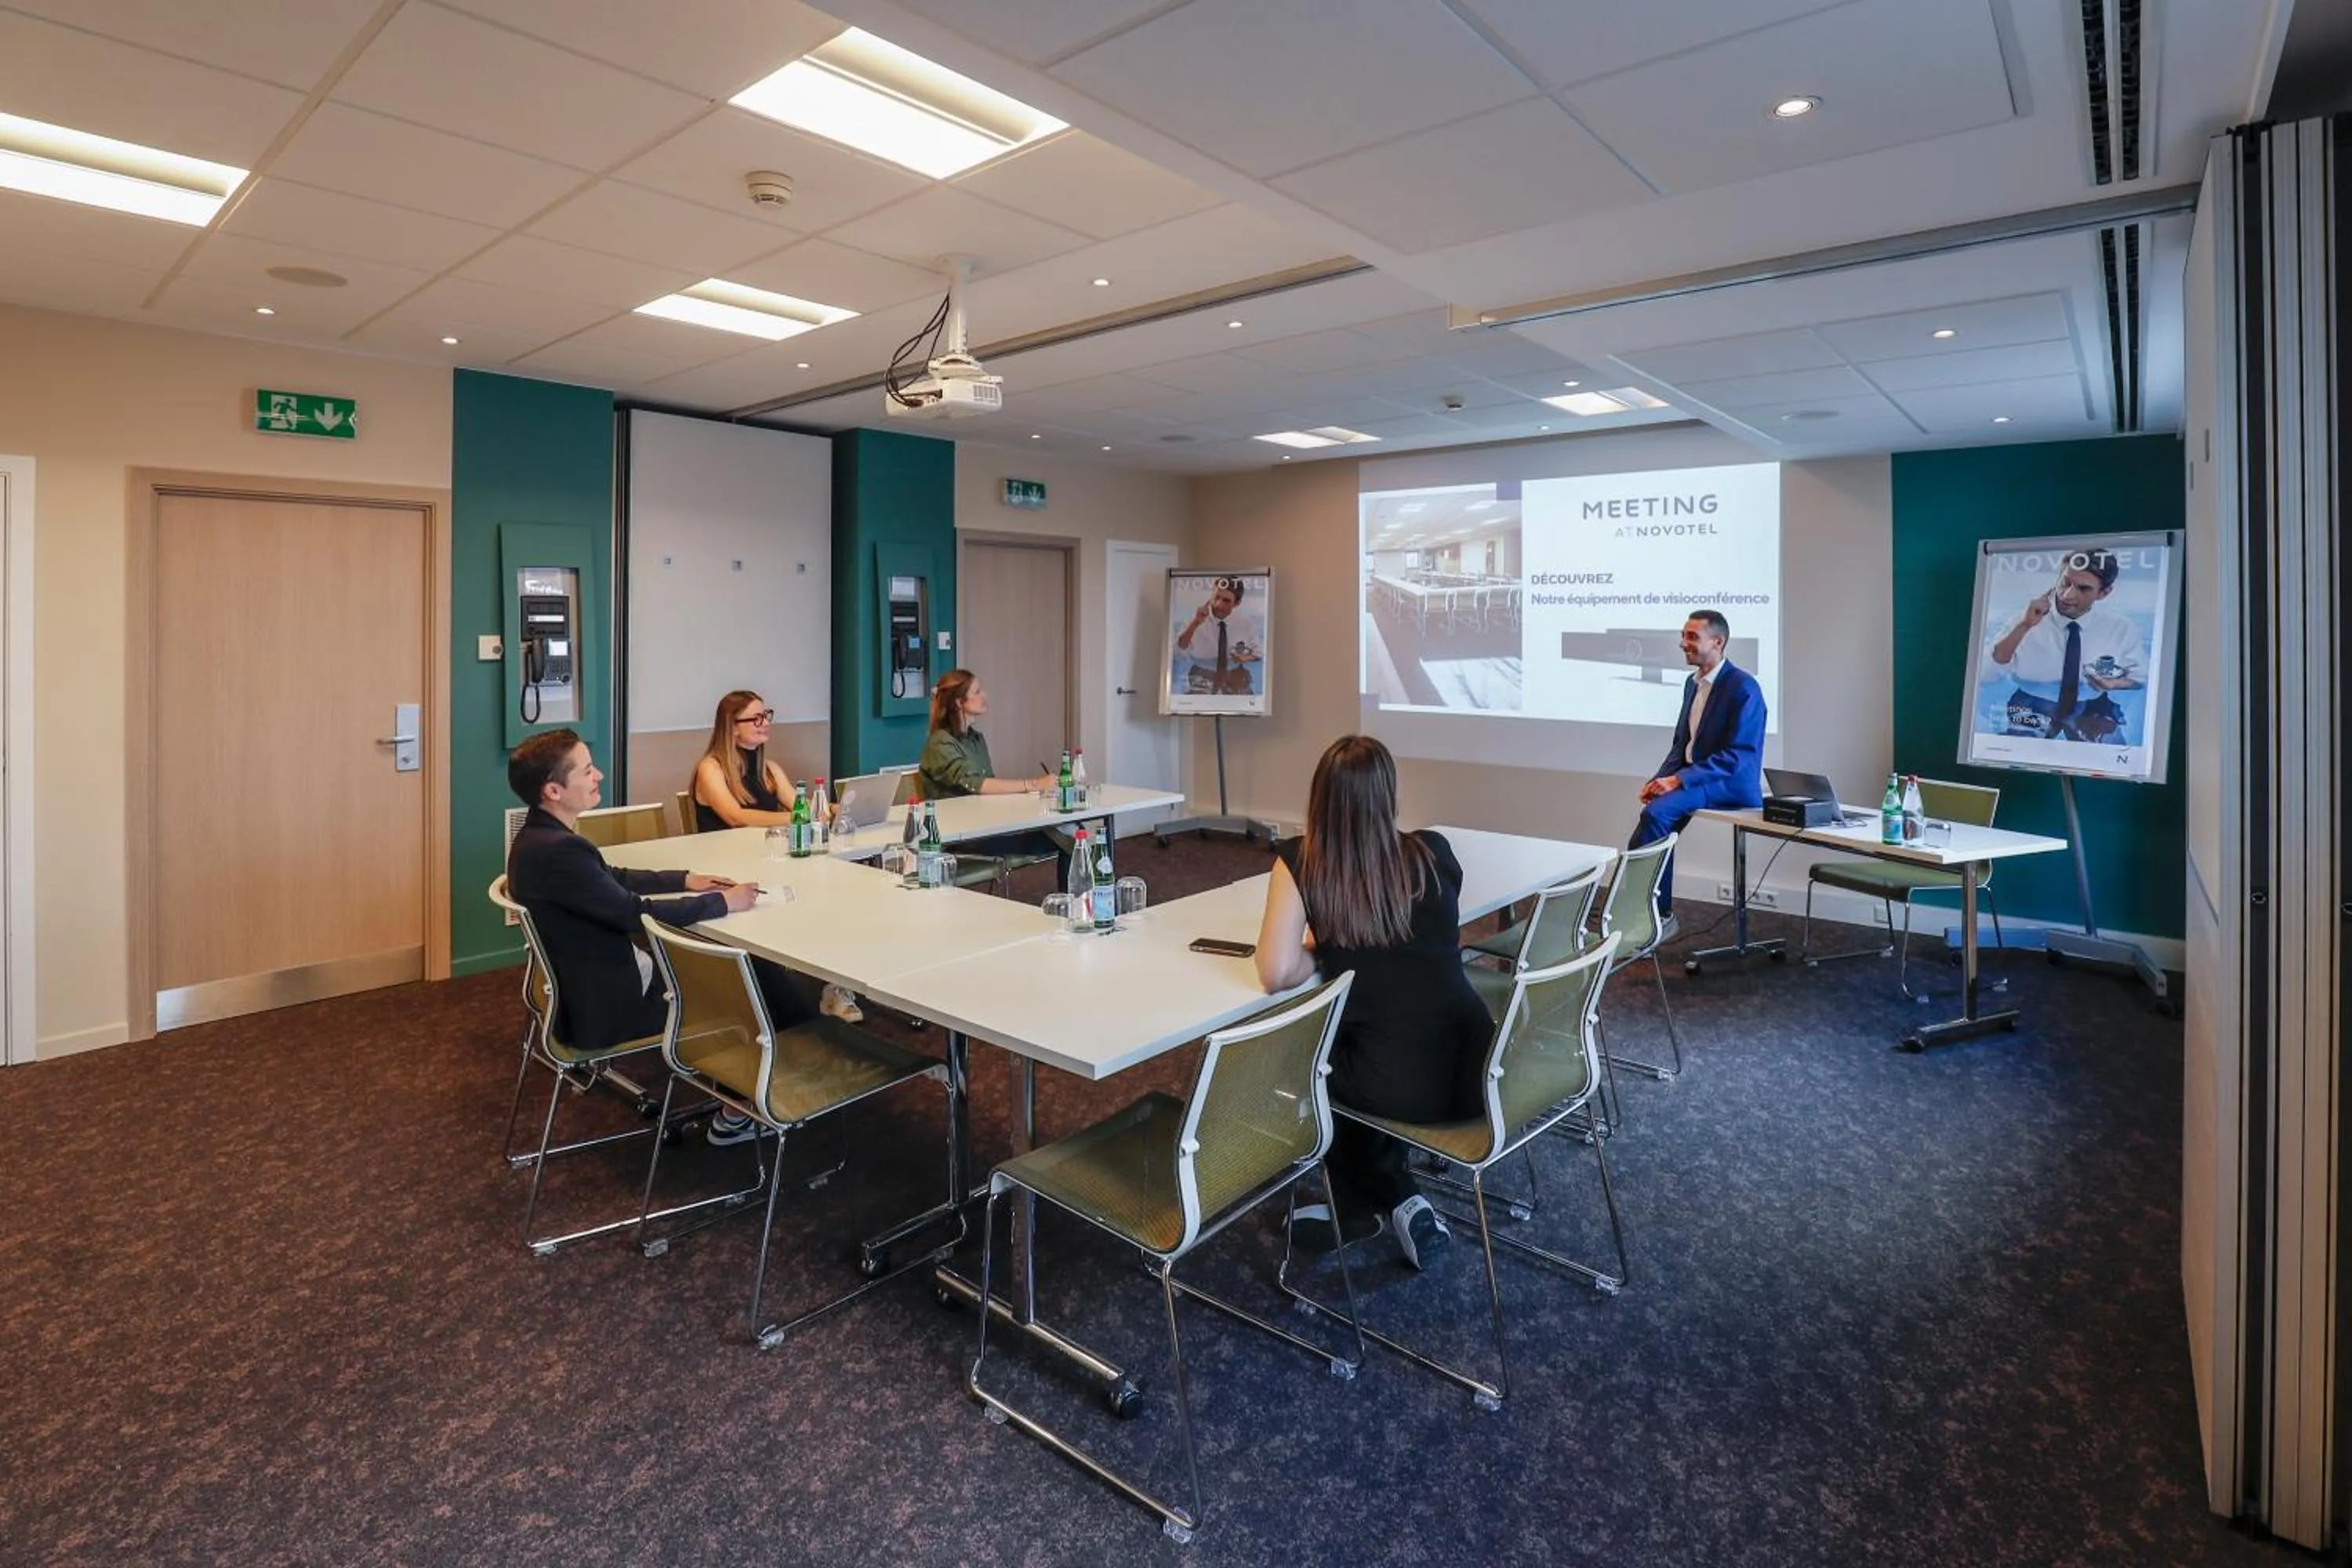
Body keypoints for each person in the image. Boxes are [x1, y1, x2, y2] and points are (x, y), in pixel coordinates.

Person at [507, 728, 811, 1147]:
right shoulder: (559, 850)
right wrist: (725, 903)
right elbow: (634, 913)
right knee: (749, 978)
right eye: (587, 770)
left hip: (586, 990)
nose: (598, 776)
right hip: (612, 1007)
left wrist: (687, 879)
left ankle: (791, 1070)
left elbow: (612, 879)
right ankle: (751, 1105)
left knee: (748, 969)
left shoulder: (541, 838)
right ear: (554, 790)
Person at [1254, 735, 1490, 1271]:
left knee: (1305, 1065)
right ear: (1390, 796)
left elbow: (1273, 973)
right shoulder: (1435, 850)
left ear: (1319, 799)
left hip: (1403, 1089)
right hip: (1478, 1070)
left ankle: (1385, 1201)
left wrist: (1320, 952)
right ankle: (1370, 1204)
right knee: (1361, 1040)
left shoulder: (1303, 861)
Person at [690, 689, 861, 1021]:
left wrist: (832, 810)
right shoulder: (710, 769)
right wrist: (800, 816)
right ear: (731, 726)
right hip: (730, 872)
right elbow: (737, 817)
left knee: (835, 896)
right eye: (755, 718)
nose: (764, 723)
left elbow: (803, 806)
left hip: (769, 861)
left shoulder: (769, 769)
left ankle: (835, 986)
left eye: (767, 715)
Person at [1629, 609, 1766, 926]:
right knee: (1644, 835)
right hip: (1697, 779)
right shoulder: (1693, 685)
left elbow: (1739, 755)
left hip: (1729, 783)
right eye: (1683, 635)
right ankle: (1640, 909)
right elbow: (1682, 746)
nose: (1682, 643)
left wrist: (1677, 781)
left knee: (1656, 815)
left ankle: (1657, 916)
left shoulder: (1744, 687)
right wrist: (1658, 781)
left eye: (1692, 637)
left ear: (1718, 642)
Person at [916, 669, 1069, 884]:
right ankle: (1081, 906)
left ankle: (1080, 903)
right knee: (1069, 840)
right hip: (965, 837)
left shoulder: (976, 739)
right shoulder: (941, 743)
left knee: (1070, 833)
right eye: (977, 692)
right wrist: (1034, 784)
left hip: (988, 825)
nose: (984, 696)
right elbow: (978, 785)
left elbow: (989, 790)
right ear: (960, 702)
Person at [1978, 550, 2146, 743]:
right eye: (2065, 582)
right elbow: (1985, 675)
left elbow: (2141, 676)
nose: (2068, 595)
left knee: (2116, 760)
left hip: (2092, 706)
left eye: (2083, 589)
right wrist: (2024, 626)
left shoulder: (2119, 628)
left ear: (2104, 593)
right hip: (2032, 704)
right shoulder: (2024, 621)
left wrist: (2114, 684)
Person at [1173, 575, 1265, 696]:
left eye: (1226, 601)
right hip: (1201, 676)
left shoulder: (1245, 624)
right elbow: (1178, 651)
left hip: (1233, 676)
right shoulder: (1194, 619)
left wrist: (1243, 658)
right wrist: (1195, 624)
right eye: (1216, 598)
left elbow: (1258, 655)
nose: (1218, 605)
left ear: (1237, 603)